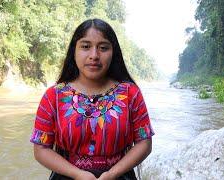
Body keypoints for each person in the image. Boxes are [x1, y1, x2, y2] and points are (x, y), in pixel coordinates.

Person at [30, 18, 154, 180]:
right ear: (74, 51)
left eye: (103, 48)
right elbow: (41, 149)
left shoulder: (131, 93)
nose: (94, 55)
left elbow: (144, 143)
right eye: (85, 46)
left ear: (113, 52)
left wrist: (112, 174)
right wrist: (78, 174)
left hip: (120, 176)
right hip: (67, 176)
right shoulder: (53, 96)